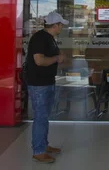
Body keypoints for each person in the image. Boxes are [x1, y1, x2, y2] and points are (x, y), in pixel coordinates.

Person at [26, 11, 68, 164]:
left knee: (44, 116)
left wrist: (59, 57)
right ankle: (38, 151)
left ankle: (43, 145)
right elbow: (39, 61)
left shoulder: (50, 38)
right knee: (41, 117)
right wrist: (57, 58)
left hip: (47, 82)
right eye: (61, 24)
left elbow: (53, 56)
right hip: (39, 84)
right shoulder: (39, 39)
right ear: (55, 25)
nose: (62, 27)